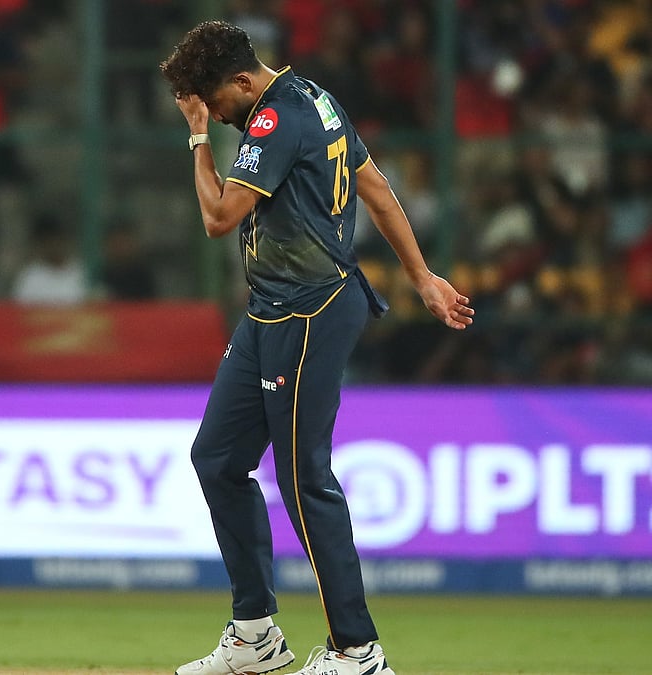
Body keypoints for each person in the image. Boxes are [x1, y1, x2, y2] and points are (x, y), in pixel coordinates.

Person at [159, 20, 473, 675]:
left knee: (305, 479)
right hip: (271, 310)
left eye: (215, 103)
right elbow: (376, 185)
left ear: (242, 81)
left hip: (310, 311)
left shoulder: (275, 121)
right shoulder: (316, 98)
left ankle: (357, 650)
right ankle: (255, 636)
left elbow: (219, 218)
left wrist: (197, 138)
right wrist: (420, 276)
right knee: (216, 457)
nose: (217, 116)